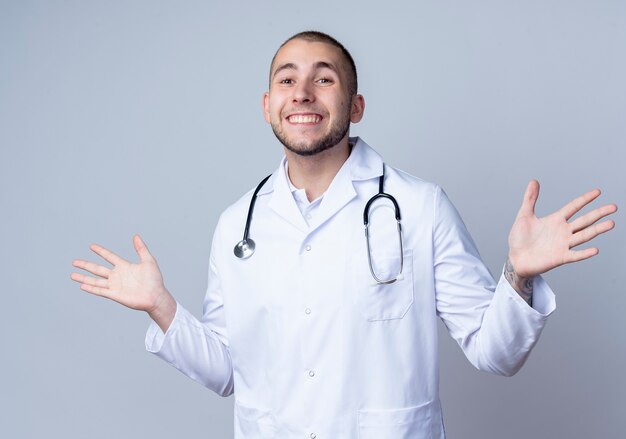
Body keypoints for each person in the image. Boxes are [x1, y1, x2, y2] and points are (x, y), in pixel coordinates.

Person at [71, 31, 617, 438]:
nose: (303, 93)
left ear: (355, 105)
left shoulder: (420, 207)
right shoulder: (238, 223)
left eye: (323, 78)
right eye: (287, 79)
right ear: (268, 107)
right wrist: (163, 308)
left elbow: (496, 353)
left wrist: (518, 277)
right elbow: (227, 373)